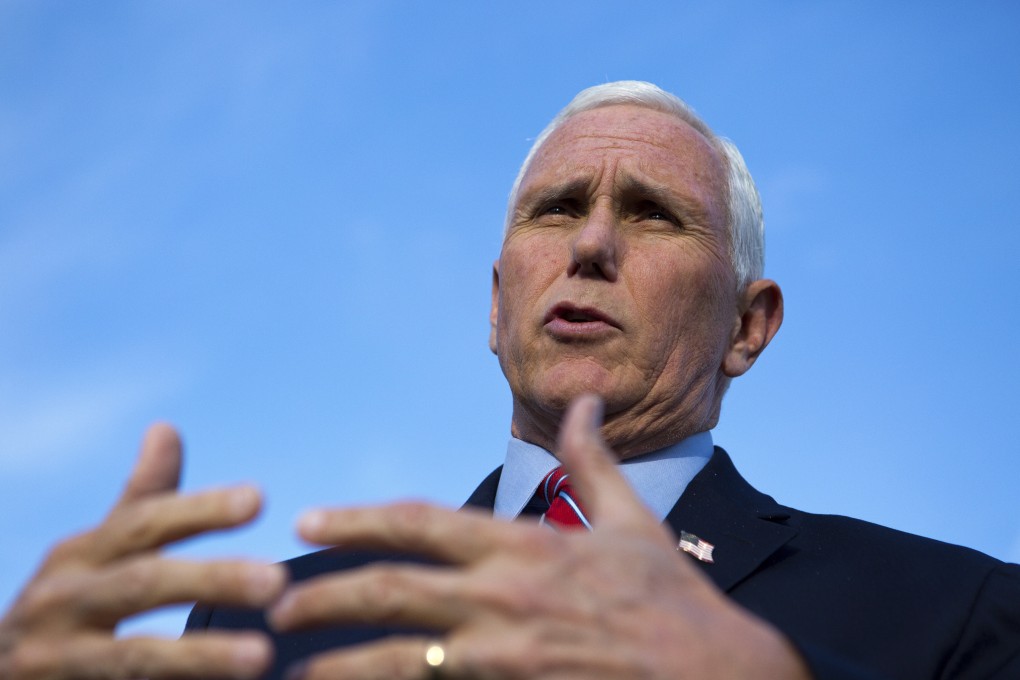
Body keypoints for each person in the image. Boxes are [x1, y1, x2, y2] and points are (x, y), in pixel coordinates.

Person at [1, 81, 1017, 680]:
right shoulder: (263, 629)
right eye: (556, 207)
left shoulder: (953, 611)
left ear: (748, 325)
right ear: (497, 304)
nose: (591, 241)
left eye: (656, 213)